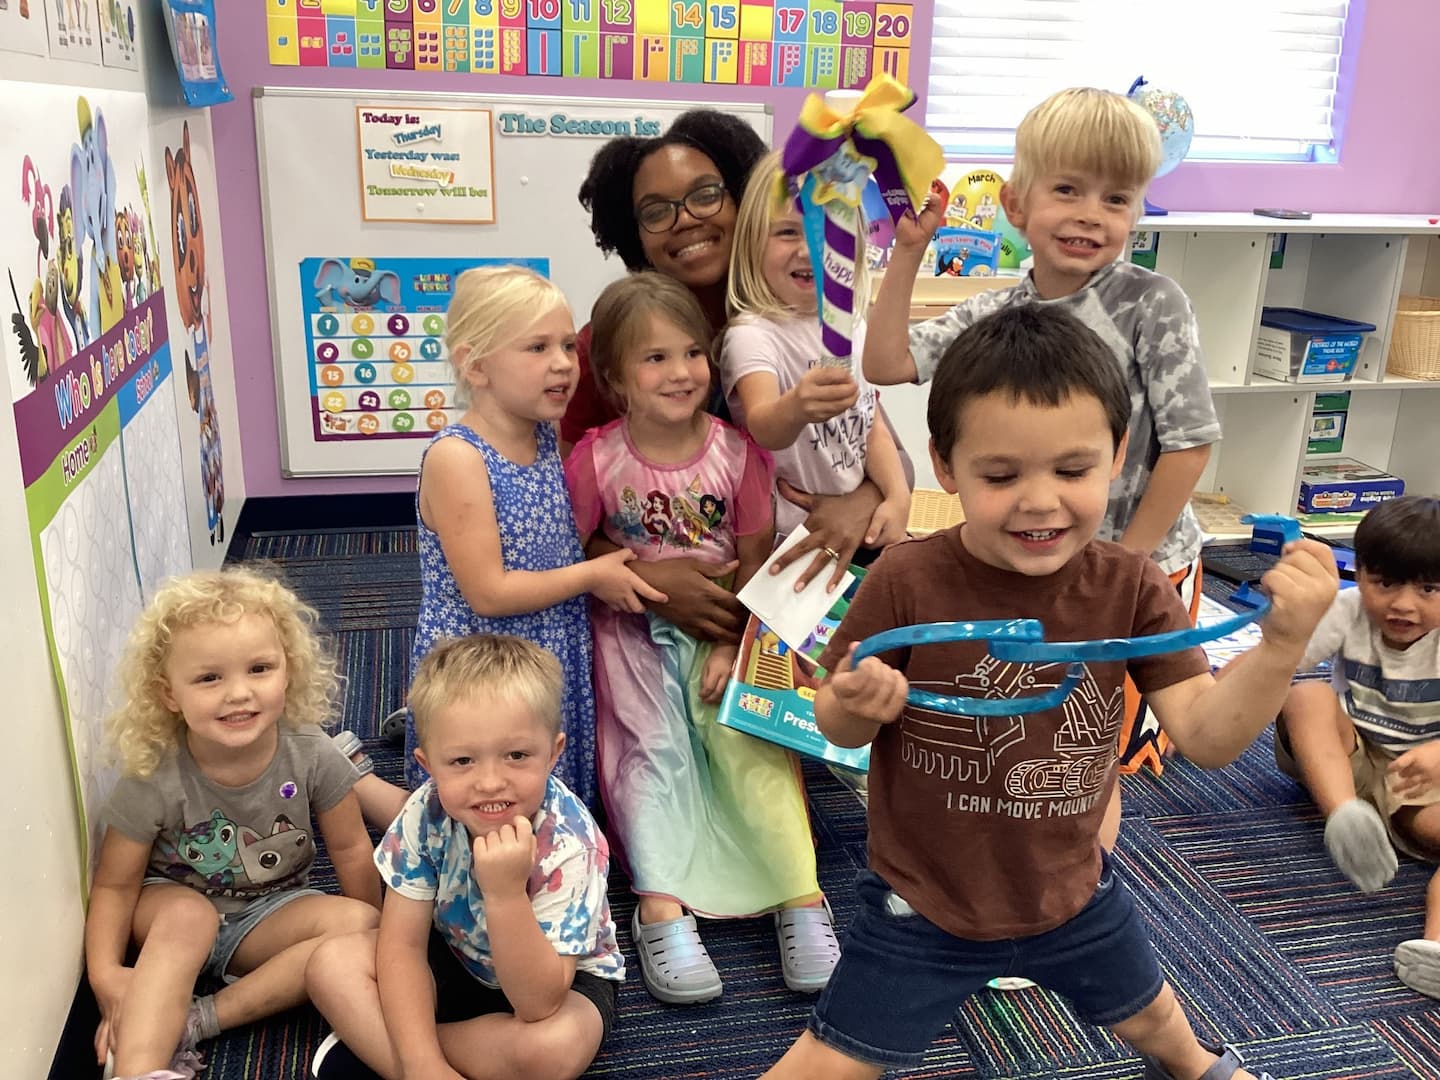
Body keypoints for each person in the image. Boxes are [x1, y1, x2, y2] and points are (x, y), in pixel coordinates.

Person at [761, 305, 1337, 1080]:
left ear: (1117, 455)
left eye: (1072, 471)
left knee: (1154, 1016)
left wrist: (1282, 648)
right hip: (923, 905)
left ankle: (1201, 1067)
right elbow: (836, 718)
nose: (1039, 501)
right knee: (835, 1059)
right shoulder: (905, 577)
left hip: (1073, 894)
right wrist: (854, 705)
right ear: (945, 465)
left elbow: (1207, 738)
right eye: (1001, 476)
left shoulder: (1130, 585)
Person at [862, 86, 1222, 822]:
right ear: (1016, 205)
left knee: (1103, 746)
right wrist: (909, 251)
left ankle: (1091, 875)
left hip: (1138, 562)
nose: (1091, 214)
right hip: (1036, 557)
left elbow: (1189, 444)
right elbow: (887, 362)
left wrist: (1127, 566)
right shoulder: (999, 313)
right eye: (1068, 190)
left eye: (1116, 199)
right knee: (1047, 731)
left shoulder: (1152, 303)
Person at [564, 272, 839, 1005]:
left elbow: (755, 558)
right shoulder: (596, 458)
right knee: (650, 754)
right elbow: (580, 545)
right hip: (632, 635)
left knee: (749, 748)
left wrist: (729, 645)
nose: (680, 372)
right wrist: (632, 574)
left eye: (691, 353)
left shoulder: (738, 453)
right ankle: (661, 903)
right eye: (654, 358)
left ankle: (800, 895)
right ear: (615, 379)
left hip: (727, 627)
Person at [345, 266, 662, 829]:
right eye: (537, 347)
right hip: (485, 663)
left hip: (547, 646)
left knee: (538, 794)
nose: (564, 363)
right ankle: (350, 777)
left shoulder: (544, 434)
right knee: (458, 818)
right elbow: (488, 593)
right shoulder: (458, 457)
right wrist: (593, 575)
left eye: (567, 345)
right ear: (476, 365)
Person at [568, 110, 907, 632]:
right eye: (656, 211)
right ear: (633, 231)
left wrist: (860, 502)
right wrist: (643, 574)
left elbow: (871, 435)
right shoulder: (607, 344)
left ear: (742, 205)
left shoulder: (804, 312)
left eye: (706, 195)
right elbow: (567, 495)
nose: (684, 220)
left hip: (799, 572)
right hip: (658, 612)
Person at [85, 567, 381, 1080]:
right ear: (169, 694)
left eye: (259, 669)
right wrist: (106, 975)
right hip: (171, 908)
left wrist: (374, 947)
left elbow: (352, 848)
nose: (239, 693)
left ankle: (198, 1020)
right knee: (190, 917)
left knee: (363, 926)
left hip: (271, 911)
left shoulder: (312, 752)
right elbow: (114, 885)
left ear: (288, 671)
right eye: (209, 678)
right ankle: (139, 1070)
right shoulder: (155, 774)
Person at [306, 635, 624, 1080]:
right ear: (428, 764)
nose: (490, 782)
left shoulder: (571, 843)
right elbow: (403, 946)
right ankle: (420, 1063)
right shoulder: (424, 811)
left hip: (555, 979)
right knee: (329, 964)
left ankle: (376, 1046)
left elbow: (538, 1004)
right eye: (461, 761)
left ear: (553, 753)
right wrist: (423, 1062)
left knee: (556, 1048)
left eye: (516, 755)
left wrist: (505, 894)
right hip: (456, 954)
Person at [1274, 495, 1440, 998]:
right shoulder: (1347, 609)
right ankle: (1343, 814)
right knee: (1306, 694)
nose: (1403, 604)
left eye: (1428, 589)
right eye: (1384, 583)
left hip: (1420, 782)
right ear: (1359, 572)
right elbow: (1275, 662)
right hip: (1347, 755)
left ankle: (1435, 945)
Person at [720, 149, 911, 580]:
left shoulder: (853, 325)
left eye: (830, 230)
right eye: (789, 232)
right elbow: (763, 426)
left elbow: (870, 426)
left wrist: (898, 496)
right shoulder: (753, 334)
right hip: (790, 545)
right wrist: (797, 406)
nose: (809, 249)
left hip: (862, 533)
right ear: (752, 241)